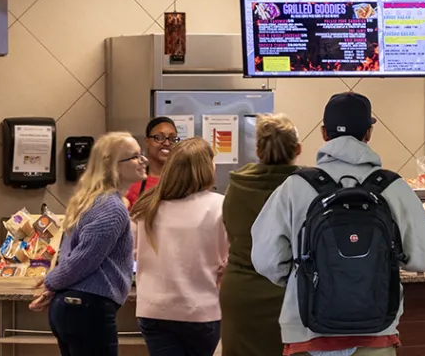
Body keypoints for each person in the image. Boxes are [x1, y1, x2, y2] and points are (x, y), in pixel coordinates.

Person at [252, 92, 425, 356]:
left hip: (307, 334)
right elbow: (422, 258)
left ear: (325, 133)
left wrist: (306, 277)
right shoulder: (393, 187)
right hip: (375, 333)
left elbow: (265, 259)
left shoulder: (295, 187)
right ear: (368, 133)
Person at [33, 132, 143, 356]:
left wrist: (55, 286)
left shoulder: (93, 201)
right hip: (88, 308)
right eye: (135, 157)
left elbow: (73, 256)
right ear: (113, 165)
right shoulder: (111, 207)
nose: (143, 161)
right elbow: (84, 258)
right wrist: (51, 282)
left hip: (75, 306)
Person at [131, 138, 226, 356]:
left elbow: (132, 253)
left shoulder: (146, 206)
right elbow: (232, 256)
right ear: (205, 168)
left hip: (153, 310)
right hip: (201, 311)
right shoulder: (219, 206)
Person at [220, 114, 303, 356]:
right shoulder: (305, 190)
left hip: (241, 294)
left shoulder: (236, 186)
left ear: (258, 150)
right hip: (290, 295)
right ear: (298, 149)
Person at [127, 117, 179, 205]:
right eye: (159, 137)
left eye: (172, 139)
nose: (167, 143)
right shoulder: (132, 182)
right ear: (147, 142)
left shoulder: (184, 182)